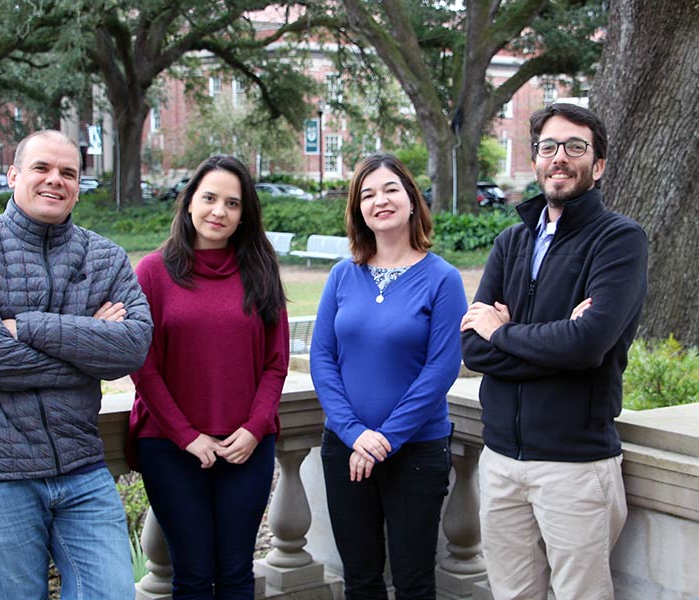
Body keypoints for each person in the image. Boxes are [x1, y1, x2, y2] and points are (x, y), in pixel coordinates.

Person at [0, 130, 153, 599]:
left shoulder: (105, 257)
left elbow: (132, 348)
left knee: (111, 593)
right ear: (13, 176)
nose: (55, 180)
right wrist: (87, 345)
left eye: (68, 172)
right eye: (42, 169)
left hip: (81, 464)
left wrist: (27, 326)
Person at [460, 103, 648, 599]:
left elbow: (587, 344)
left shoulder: (620, 241)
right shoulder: (510, 242)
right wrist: (553, 338)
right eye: (548, 147)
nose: (559, 157)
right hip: (500, 458)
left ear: (599, 165)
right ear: (537, 159)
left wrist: (503, 333)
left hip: (575, 468)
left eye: (574, 147)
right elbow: (470, 347)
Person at [127, 155, 289, 600]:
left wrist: (254, 429)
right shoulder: (153, 273)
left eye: (233, 203)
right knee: (193, 575)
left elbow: (276, 363)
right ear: (189, 203)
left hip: (247, 448)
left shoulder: (260, 270)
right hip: (171, 447)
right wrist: (186, 436)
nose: (219, 211)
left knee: (237, 571)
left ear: (244, 215)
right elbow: (143, 365)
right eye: (210, 198)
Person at [310, 154, 467, 600]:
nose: (380, 200)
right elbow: (322, 359)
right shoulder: (342, 275)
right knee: (359, 579)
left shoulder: (442, 279)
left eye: (390, 189)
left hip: (415, 451)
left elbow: (441, 369)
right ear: (358, 210)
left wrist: (385, 439)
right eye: (368, 194)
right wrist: (355, 433)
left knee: (414, 582)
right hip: (345, 449)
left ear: (412, 200)